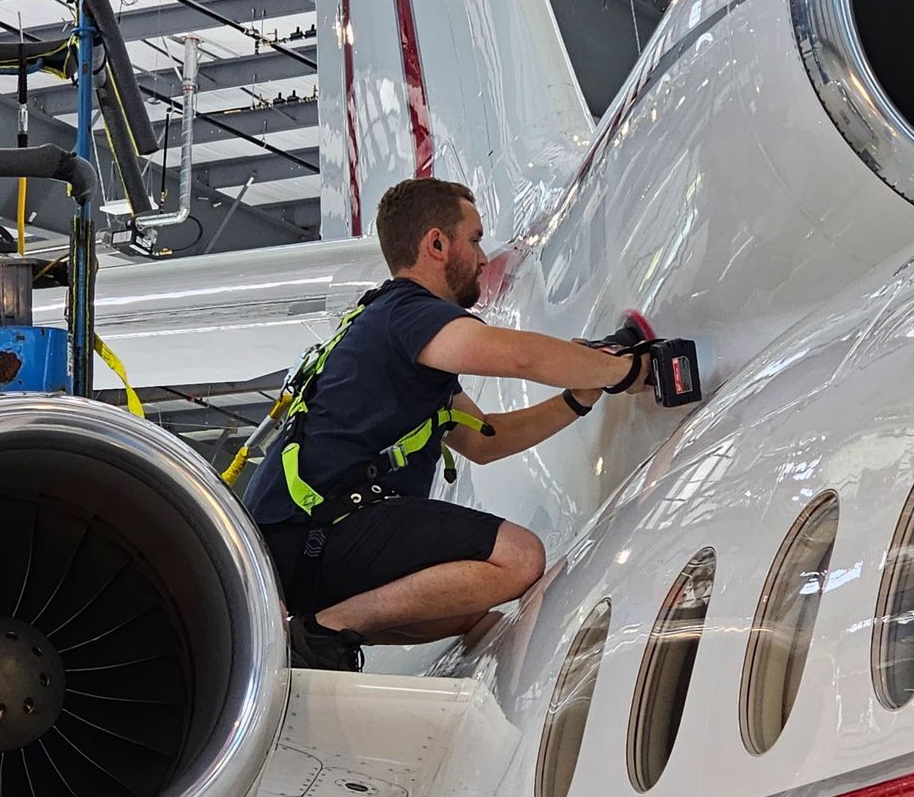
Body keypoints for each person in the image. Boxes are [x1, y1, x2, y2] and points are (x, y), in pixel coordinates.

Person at [240, 177, 653, 670]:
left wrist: (577, 400)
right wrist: (625, 370)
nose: (483, 258)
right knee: (518, 559)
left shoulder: (389, 342)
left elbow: (485, 441)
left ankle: (322, 626)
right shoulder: (407, 313)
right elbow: (519, 358)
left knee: (464, 603)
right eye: (475, 238)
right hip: (320, 529)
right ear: (436, 243)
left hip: (290, 550)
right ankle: (322, 634)